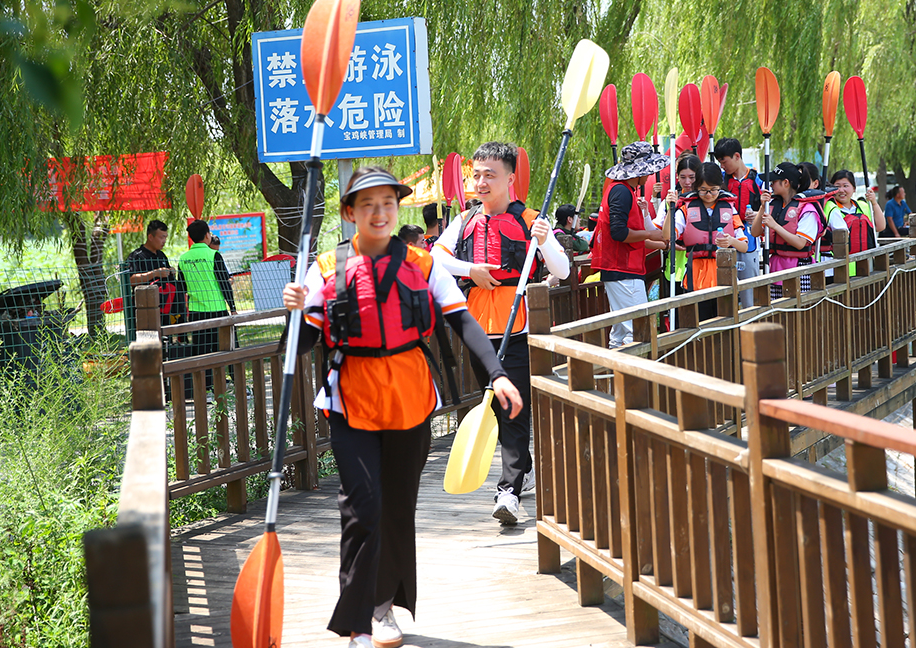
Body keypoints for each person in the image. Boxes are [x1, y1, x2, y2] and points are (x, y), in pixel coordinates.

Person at [282, 167, 522, 648]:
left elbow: (464, 324)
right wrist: (295, 310)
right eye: (367, 205)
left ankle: (382, 606)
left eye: (388, 203)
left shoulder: (423, 263)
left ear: (397, 209)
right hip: (350, 403)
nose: (379, 213)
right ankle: (356, 623)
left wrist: (496, 374)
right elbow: (301, 342)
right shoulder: (327, 269)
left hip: (410, 402)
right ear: (350, 213)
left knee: (395, 510)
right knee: (362, 508)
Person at [433, 142, 569, 525]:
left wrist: (544, 240)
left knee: (511, 407)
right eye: (476, 174)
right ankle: (523, 470)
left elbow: (564, 269)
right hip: (478, 329)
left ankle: (507, 490)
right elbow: (436, 259)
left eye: (489, 174)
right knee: (496, 406)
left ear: (511, 178)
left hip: (517, 325)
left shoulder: (530, 219)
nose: (480, 182)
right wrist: (470, 270)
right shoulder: (464, 220)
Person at [591, 142, 669, 347]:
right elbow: (619, 233)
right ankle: (631, 378)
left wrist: (652, 237)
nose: (650, 175)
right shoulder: (622, 192)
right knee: (636, 328)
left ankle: (614, 378)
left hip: (620, 268)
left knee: (622, 331)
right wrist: (651, 233)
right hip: (623, 268)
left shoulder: (621, 189)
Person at [666, 162, 750, 319]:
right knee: (699, 327)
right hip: (695, 279)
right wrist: (671, 208)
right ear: (697, 187)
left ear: (720, 186)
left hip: (724, 278)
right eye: (703, 190)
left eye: (713, 190)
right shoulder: (686, 208)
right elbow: (668, 235)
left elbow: (744, 246)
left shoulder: (729, 208)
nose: (709, 194)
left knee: (725, 326)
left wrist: (731, 240)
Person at [176, 220, 237, 398]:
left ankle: (206, 390)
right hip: (217, 310)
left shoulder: (183, 258)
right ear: (207, 235)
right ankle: (238, 385)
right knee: (230, 349)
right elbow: (224, 284)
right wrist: (232, 307)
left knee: (203, 353)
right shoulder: (214, 255)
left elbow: (182, 288)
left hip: (196, 314)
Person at [750, 162, 824, 298]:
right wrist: (762, 207)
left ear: (786, 183)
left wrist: (775, 226)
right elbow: (754, 232)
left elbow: (800, 243)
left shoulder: (806, 208)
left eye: (773, 181)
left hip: (799, 270)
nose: (770, 185)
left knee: (797, 314)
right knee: (778, 314)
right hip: (776, 269)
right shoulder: (773, 205)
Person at [712, 138, 763, 307]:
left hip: (749, 242)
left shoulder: (758, 181)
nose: (722, 166)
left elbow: (768, 211)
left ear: (736, 156)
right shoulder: (720, 182)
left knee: (749, 295)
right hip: (724, 241)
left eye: (724, 161)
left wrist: (757, 214)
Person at [654, 153, 702, 293]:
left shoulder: (708, 200)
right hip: (675, 268)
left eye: (691, 177)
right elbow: (658, 230)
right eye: (683, 177)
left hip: (701, 269)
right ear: (677, 177)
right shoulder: (670, 201)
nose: (687, 182)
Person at [822, 170, 885, 276]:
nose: (841, 190)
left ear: (854, 189)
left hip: (864, 266)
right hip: (838, 269)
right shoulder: (829, 207)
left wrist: (874, 203)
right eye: (837, 186)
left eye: (845, 186)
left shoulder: (863, 206)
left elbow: (880, 227)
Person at [126, 219, 181, 324]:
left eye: (165, 237)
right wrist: (154, 274)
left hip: (164, 307)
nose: (164, 241)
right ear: (150, 237)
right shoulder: (137, 256)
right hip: (144, 308)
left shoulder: (161, 255)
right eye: (161, 237)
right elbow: (130, 280)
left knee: (165, 337)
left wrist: (170, 272)